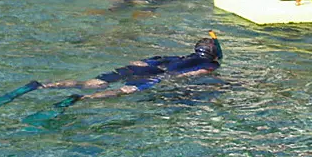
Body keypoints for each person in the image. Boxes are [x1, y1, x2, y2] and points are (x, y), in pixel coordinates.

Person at [40, 33, 223, 99]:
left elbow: (139, 62)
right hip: (158, 76)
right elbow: (197, 72)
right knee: (124, 91)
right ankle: (82, 99)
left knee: (90, 82)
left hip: (143, 68)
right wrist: (174, 79)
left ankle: (47, 85)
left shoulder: (175, 56)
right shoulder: (210, 65)